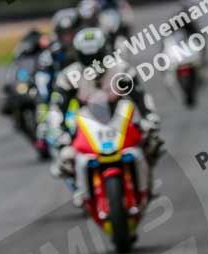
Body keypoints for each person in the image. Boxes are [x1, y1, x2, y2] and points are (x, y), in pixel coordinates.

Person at [52, 28, 163, 205]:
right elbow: (56, 108)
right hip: (86, 122)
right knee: (65, 156)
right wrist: (59, 133)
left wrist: (150, 117)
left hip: (120, 118)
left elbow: (141, 97)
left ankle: (147, 182)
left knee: (152, 140)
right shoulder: (69, 76)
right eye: (87, 58)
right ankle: (80, 187)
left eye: (97, 56)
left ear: (106, 52)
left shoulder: (122, 69)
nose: (93, 63)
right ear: (79, 55)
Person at [34, 8, 83, 154]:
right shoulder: (49, 56)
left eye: (71, 34)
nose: (67, 39)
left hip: (86, 97)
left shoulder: (88, 50)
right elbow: (42, 86)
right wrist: (42, 121)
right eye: (64, 35)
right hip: (61, 101)